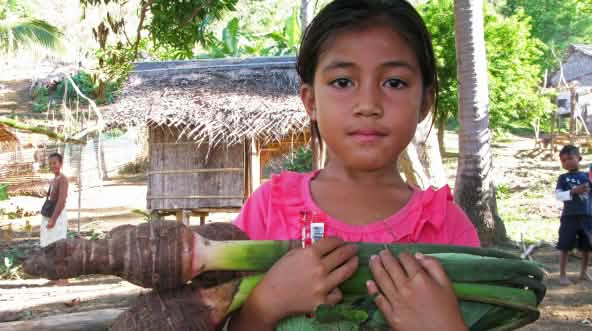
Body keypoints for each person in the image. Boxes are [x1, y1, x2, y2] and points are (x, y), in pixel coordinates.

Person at [229, 1, 479, 330]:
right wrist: (266, 303)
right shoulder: (267, 210)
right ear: (311, 101)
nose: (368, 105)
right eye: (343, 82)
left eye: (395, 83)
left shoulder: (447, 228)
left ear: (424, 104)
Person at [554, 144, 592, 286]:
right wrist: (573, 191)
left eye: (570, 158)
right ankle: (562, 275)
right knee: (565, 246)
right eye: (563, 161)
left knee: (586, 247)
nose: (567, 162)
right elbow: (558, 196)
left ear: (579, 158)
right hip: (569, 217)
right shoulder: (563, 178)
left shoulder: (587, 176)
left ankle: (583, 273)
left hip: (587, 216)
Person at [41, 152, 69, 248]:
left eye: (54, 163)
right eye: (50, 164)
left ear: (60, 164)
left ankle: (57, 262)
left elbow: (61, 201)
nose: (52, 166)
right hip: (51, 213)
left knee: (56, 241)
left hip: (58, 216)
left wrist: (53, 219)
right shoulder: (54, 179)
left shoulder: (63, 179)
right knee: (48, 240)